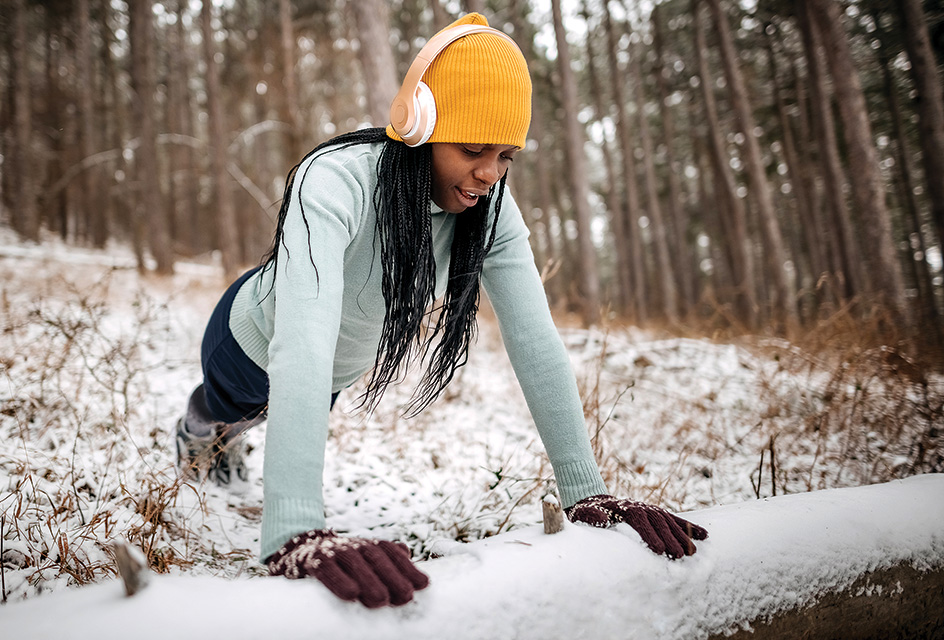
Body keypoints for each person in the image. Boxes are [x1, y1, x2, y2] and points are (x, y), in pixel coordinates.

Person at [174, 12, 708, 609]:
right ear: (420, 125)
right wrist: (295, 528)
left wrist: (587, 490)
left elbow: (534, 341)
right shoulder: (334, 181)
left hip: (329, 371)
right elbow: (303, 336)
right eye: (473, 148)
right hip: (249, 341)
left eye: (507, 155)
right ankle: (194, 427)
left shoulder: (490, 211)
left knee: (281, 413)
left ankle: (225, 438)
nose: (489, 173)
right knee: (230, 412)